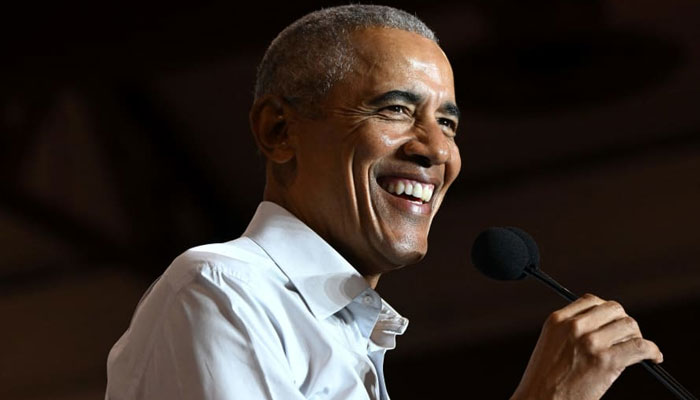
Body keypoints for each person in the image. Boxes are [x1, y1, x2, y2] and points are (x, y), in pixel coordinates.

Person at [105, 4, 663, 400]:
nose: (435, 149)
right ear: (277, 131)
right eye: (395, 110)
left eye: (447, 122)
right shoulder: (222, 290)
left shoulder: (350, 334)